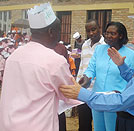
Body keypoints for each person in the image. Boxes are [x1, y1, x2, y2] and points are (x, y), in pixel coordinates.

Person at [59, 16, 134, 131]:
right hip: (125, 115)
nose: (133, 41)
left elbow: (123, 100)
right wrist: (122, 66)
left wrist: (82, 93)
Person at [0, 3, 81, 131]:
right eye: (58, 31)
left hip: (9, 124)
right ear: (51, 32)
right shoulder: (55, 61)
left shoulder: (14, 56)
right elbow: (70, 94)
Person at [79, 21, 134, 131]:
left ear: (121, 35)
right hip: (98, 97)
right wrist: (86, 78)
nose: (108, 36)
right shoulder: (99, 49)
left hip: (116, 101)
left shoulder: (130, 54)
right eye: (106, 33)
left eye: (113, 33)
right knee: (98, 128)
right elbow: (91, 69)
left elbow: (133, 79)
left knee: (112, 128)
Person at [76, 19, 106, 131]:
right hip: (84, 91)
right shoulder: (85, 45)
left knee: (100, 125)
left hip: (98, 92)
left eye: (93, 29)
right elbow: (82, 67)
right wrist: (78, 83)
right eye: (88, 31)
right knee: (84, 124)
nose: (91, 33)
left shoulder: (105, 45)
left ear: (99, 28)